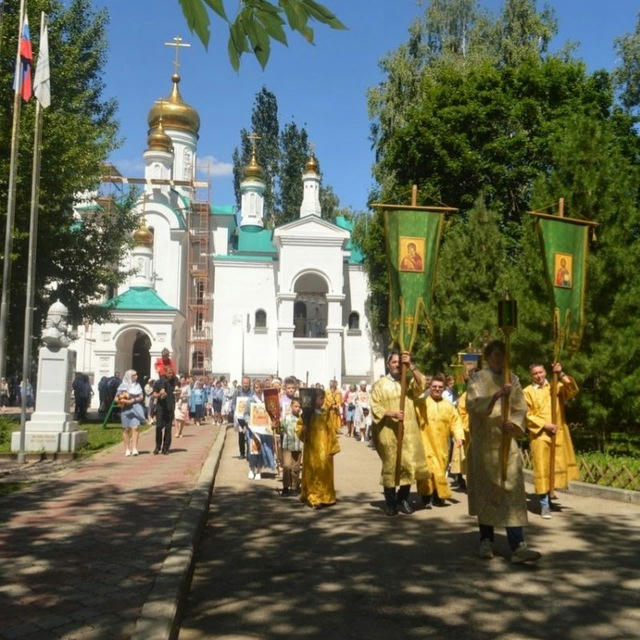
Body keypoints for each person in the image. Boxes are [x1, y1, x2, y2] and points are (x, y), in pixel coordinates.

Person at [466, 340, 541, 563]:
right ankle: (486, 540)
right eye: (495, 355)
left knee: (512, 492)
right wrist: (497, 396)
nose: (499, 359)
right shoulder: (477, 379)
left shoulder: (513, 379)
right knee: (486, 493)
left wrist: (515, 423)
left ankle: (518, 545)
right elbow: (473, 405)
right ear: (488, 357)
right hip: (484, 446)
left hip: (507, 445)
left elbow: (521, 408)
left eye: (502, 355)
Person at [370, 351, 429, 516]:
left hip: (408, 430)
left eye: (399, 362)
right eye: (394, 362)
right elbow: (375, 406)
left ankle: (403, 499)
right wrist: (391, 413)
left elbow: (422, 384)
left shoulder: (407, 381)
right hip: (388, 431)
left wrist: (411, 366)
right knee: (390, 465)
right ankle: (390, 502)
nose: (397, 365)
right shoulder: (380, 384)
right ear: (388, 364)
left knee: (407, 464)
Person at [523, 361, 579, 518]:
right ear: (531, 375)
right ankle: (544, 505)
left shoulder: (555, 386)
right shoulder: (527, 391)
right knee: (542, 468)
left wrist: (560, 373)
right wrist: (544, 425)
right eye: (535, 373)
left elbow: (572, 390)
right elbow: (526, 415)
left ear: (545, 372)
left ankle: (550, 497)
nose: (538, 376)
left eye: (540, 372)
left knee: (553, 468)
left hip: (557, 433)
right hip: (540, 434)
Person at [415, 374, 465, 507]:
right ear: (430, 387)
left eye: (440, 387)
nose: (437, 389)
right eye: (434, 387)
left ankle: (438, 495)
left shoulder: (449, 406)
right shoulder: (421, 403)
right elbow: (412, 417)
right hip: (425, 443)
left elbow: (456, 422)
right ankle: (426, 497)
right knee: (427, 470)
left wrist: (458, 436)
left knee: (440, 470)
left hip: (442, 445)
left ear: (443, 389)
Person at [295, 389, 340, 508]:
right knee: (312, 472)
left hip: (325, 448)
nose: (322, 400)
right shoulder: (306, 415)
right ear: (313, 399)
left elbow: (331, 431)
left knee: (324, 472)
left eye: (323, 398)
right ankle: (312, 497)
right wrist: (303, 429)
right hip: (311, 449)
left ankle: (326, 496)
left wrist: (333, 448)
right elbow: (299, 428)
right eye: (320, 398)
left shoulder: (326, 413)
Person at [245, 379, 276, 479]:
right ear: (254, 388)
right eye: (256, 387)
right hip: (253, 429)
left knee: (262, 450)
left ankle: (259, 470)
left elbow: (271, 413)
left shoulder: (266, 400)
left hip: (264, 429)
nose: (258, 390)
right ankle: (251, 469)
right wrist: (248, 421)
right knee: (253, 450)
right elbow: (246, 414)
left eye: (260, 388)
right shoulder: (250, 400)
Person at [116, 370, 144, 456]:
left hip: (135, 408)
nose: (136, 377)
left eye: (136, 375)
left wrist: (133, 400)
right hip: (125, 409)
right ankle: (127, 449)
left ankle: (134, 448)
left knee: (135, 428)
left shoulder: (137, 385)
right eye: (134, 375)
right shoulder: (122, 386)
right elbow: (116, 398)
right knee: (126, 429)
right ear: (129, 376)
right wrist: (122, 400)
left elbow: (141, 396)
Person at [280, 396, 303, 496]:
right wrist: (275, 426)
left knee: (295, 468)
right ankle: (285, 487)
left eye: (299, 407)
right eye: (295, 406)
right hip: (287, 446)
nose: (297, 408)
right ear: (291, 406)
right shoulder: (286, 418)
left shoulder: (302, 420)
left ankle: (294, 487)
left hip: (298, 447)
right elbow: (280, 430)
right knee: (286, 466)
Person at [153, 366, 177, 455]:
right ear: (165, 373)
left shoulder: (174, 382)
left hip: (170, 408)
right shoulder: (158, 383)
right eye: (169, 373)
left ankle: (165, 448)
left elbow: (176, 390)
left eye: (172, 373)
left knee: (168, 428)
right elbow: (154, 395)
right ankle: (157, 446)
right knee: (159, 427)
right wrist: (160, 394)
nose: (171, 374)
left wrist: (177, 392)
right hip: (161, 408)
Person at [232, 376, 253, 458]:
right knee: (241, 435)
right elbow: (233, 403)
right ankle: (242, 453)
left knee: (249, 436)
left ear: (250, 383)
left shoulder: (252, 392)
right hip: (240, 417)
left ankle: (249, 453)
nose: (245, 385)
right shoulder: (237, 392)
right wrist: (235, 411)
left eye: (247, 383)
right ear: (242, 383)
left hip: (249, 417)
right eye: (244, 383)